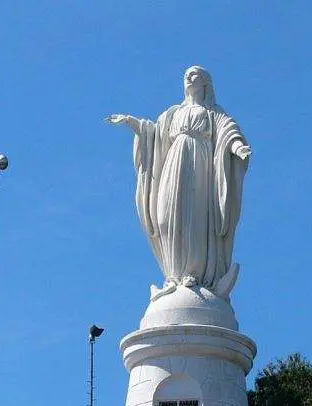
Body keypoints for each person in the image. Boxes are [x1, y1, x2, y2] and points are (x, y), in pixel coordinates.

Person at [107, 66, 252, 300]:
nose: (189, 77)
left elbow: (229, 133)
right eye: (186, 74)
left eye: (195, 74)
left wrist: (238, 148)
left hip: (201, 165)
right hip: (174, 163)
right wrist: (133, 123)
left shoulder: (213, 113)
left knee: (195, 218)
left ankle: (193, 274)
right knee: (166, 217)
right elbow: (153, 135)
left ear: (205, 83)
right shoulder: (173, 113)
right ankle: (174, 274)